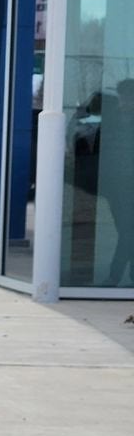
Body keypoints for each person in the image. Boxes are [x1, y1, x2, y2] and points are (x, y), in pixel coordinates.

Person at [103, 79, 134, 285]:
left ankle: (114, 276)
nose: (125, 101)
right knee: (126, 230)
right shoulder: (112, 119)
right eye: (123, 96)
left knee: (127, 231)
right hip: (116, 185)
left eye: (129, 97)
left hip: (129, 184)